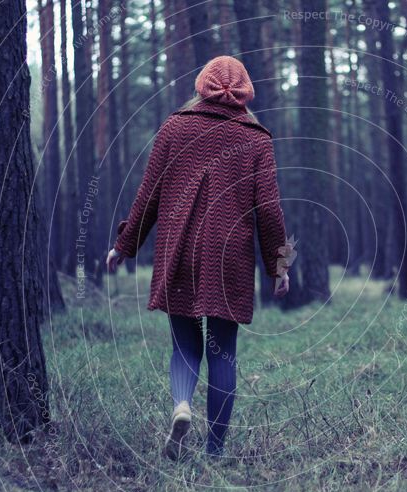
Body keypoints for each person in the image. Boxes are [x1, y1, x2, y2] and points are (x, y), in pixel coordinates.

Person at [106, 56, 291, 460]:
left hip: (179, 251)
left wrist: (124, 245)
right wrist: (279, 266)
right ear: (244, 91)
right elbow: (271, 210)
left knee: (184, 344)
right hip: (230, 260)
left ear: (201, 85)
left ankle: (181, 405)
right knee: (223, 350)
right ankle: (215, 452)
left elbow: (148, 196)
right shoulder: (257, 138)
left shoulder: (175, 127)